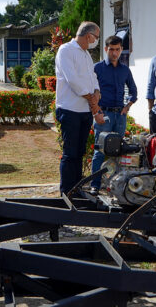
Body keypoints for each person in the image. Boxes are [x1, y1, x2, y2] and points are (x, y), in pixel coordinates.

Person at [55, 21, 105, 194]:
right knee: (70, 153)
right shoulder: (66, 50)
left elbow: (92, 77)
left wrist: (97, 91)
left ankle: (76, 188)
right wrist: (93, 101)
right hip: (70, 109)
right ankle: (67, 191)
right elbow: (73, 81)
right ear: (88, 36)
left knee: (80, 152)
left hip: (84, 111)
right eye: (96, 37)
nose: (96, 40)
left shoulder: (86, 54)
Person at [90, 35, 137, 192]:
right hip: (104, 115)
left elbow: (134, 91)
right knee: (100, 151)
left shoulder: (125, 70)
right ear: (106, 49)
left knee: (119, 150)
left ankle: (116, 185)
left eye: (117, 49)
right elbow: (90, 91)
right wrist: (96, 111)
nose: (114, 53)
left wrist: (127, 106)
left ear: (121, 50)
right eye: (111, 49)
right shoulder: (98, 68)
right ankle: (95, 185)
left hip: (120, 116)